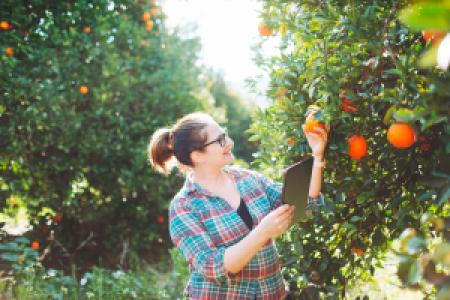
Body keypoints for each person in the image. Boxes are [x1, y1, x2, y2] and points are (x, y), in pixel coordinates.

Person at [148, 112, 328, 300]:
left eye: (225, 135)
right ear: (197, 155)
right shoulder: (184, 207)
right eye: (220, 141)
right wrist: (263, 232)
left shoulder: (247, 179)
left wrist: (317, 156)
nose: (230, 143)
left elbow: (303, 203)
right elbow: (215, 267)